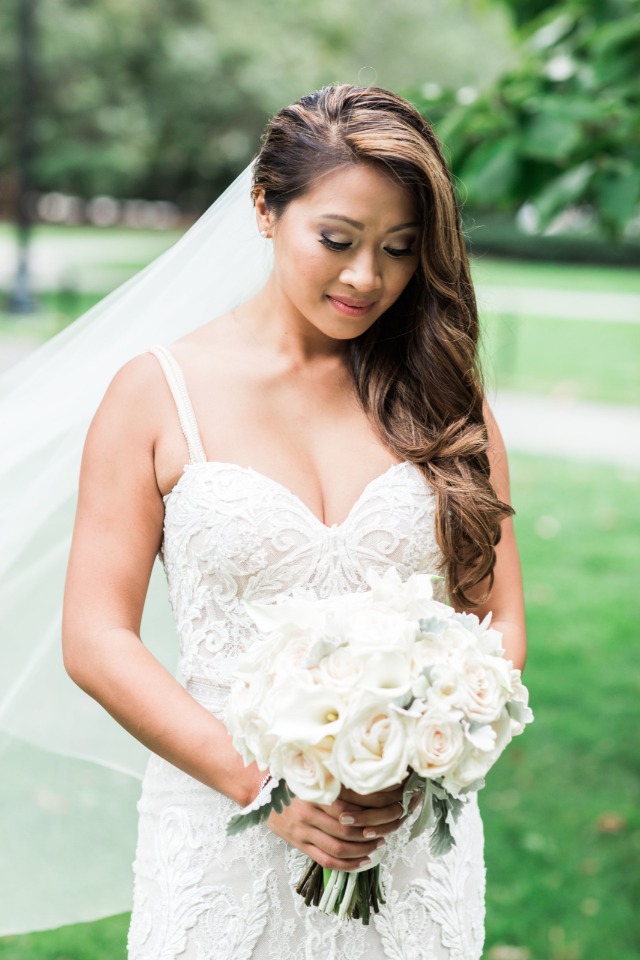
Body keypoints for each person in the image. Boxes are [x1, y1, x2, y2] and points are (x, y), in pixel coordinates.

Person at [58, 84, 526, 959]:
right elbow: (95, 637)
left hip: (405, 836)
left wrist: (417, 759)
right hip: (218, 833)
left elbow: (496, 617)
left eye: (399, 249)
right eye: (338, 241)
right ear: (267, 209)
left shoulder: (449, 404)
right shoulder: (158, 393)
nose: (366, 278)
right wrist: (265, 788)